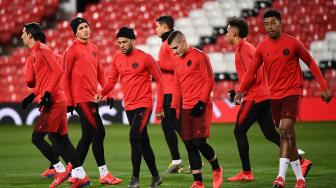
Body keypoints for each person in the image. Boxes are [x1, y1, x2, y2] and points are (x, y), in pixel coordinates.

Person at [234, 10, 332, 188]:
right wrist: (240, 91)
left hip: (292, 93)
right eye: (266, 24)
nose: (269, 27)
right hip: (274, 96)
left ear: (280, 23)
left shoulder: (292, 43)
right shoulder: (262, 47)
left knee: (285, 130)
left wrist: (323, 87)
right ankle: (301, 180)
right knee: (288, 137)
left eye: (273, 23)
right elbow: (251, 71)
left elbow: (310, 61)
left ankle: (280, 177)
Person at [225, 17, 312, 182]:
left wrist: (240, 92)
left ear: (234, 33)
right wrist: (238, 90)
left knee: (239, 131)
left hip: (255, 97)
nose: (225, 35)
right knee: (270, 133)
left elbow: (255, 75)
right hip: (264, 95)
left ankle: (246, 172)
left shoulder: (244, 49)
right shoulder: (247, 48)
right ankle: (302, 161)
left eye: (227, 31)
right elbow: (252, 74)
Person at [21, 22, 90, 188]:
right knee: (61, 139)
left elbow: (58, 70)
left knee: (38, 138)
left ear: (30, 35)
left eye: (23, 33)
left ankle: (59, 169)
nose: (21, 36)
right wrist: (32, 95)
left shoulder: (42, 50)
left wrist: (47, 94)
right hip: (53, 99)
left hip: (54, 101)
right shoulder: (36, 52)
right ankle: (81, 176)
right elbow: (44, 79)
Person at [95, 27, 164, 188]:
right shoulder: (116, 58)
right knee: (143, 141)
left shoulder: (146, 58)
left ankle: (135, 178)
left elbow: (161, 80)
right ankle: (156, 177)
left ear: (133, 41)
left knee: (134, 137)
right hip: (129, 106)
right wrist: (102, 93)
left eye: (125, 42)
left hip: (144, 105)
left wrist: (159, 107)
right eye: (119, 42)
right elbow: (111, 80)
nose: (121, 45)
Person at [63, 17, 122, 185]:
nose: (86, 30)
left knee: (88, 136)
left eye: (87, 26)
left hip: (93, 98)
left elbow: (100, 73)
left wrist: (107, 92)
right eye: (81, 28)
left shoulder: (94, 49)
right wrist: (69, 101)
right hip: (81, 99)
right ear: (75, 32)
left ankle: (74, 172)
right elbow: (64, 77)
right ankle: (104, 173)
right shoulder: (71, 50)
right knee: (99, 132)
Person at [167, 30, 223, 188]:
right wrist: (173, 107)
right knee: (189, 144)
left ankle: (217, 168)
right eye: (172, 49)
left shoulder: (200, 56)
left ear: (184, 42)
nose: (175, 51)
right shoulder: (177, 60)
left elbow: (209, 80)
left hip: (201, 106)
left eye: (176, 47)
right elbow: (177, 85)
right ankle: (198, 182)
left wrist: (201, 102)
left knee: (199, 142)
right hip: (185, 108)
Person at [155, 15, 184, 173]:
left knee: (178, 126)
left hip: (173, 91)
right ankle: (176, 160)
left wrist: (157, 64)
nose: (156, 29)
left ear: (165, 27)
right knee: (168, 127)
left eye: (157, 26)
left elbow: (178, 64)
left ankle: (197, 159)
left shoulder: (171, 42)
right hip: (167, 91)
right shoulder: (165, 43)